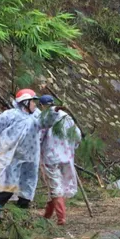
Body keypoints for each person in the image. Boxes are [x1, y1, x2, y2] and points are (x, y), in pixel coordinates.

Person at [0, 88, 43, 218]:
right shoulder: (11, 115)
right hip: (13, 157)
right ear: (25, 102)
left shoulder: (38, 116)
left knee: (27, 188)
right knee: (8, 185)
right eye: (33, 101)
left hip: (31, 159)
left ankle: (20, 219)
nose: (35, 104)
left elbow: (47, 129)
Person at [38, 95, 81, 226]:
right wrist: (71, 148)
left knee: (55, 186)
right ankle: (47, 214)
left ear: (42, 106)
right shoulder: (67, 117)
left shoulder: (46, 118)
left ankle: (61, 217)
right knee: (60, 185)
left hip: (51, 157)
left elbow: (39, 136)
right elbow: (77, 136)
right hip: (66, 156)